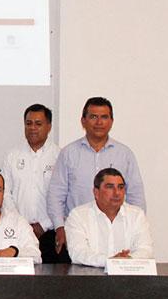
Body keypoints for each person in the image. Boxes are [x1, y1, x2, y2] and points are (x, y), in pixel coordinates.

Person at [48, 97, 146, 258]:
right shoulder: (69, 153)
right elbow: (56, 194)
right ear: (83, 121)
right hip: (79, 233)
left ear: (111, 121)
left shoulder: (124, 154)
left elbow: (136, 195)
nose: (99, 122)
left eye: (104, 117)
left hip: (116, 233)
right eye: (93, 117)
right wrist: (59, 227)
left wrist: (137, 228)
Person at [0, 104, 62, 262]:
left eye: (38, 124)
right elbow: (4, 192)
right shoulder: (12, 155)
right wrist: (21, 223)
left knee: (51, 276)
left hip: (50, 232)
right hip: (18, 232)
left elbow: (63, 196)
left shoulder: (60, 156)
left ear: (49, 126)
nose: (33, 128)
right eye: (29, 123)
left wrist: (44, 225)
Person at [64, 168, 153, 268]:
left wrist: (127, 260)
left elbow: (145, 249)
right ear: (96, 192)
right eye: (110, 187)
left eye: (120, 187)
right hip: (90, 276)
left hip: (128, 274)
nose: (117, 193)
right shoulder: (78, 216)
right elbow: (79, 253)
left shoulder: (137, 215)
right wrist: (111, 261)